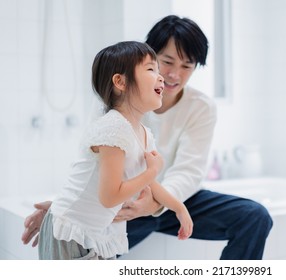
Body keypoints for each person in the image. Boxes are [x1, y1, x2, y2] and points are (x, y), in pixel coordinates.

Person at [22, 15, 273, 260]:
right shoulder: (112, 104)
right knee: (94, 241)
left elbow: (188, 171)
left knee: (255, 216)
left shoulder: (200, 107)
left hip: (168, 194)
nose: (173, 75)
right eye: (165, 63)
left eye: (187, 66)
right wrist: (62, 208)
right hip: (125, 200)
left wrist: (159, 204)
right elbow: (92, 164)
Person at [36, 41, 193, 260]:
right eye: (150, 69)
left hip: (95, 230)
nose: (161, 77)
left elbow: (151, 185)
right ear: (120, 82)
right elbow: (109, 197)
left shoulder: (144, 133)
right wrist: (151, 171)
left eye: (158, 70)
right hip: (70, 229)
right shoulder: (113, 127)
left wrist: (179, 208)